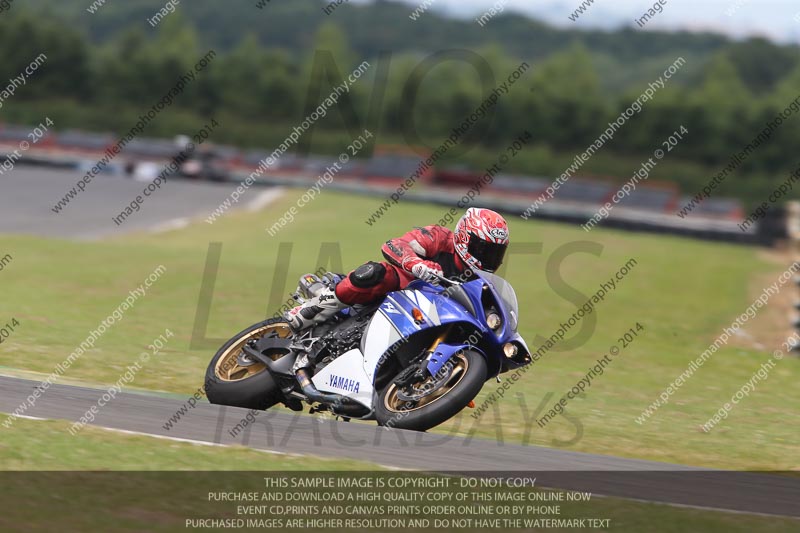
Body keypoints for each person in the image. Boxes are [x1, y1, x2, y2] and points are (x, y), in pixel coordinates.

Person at [285, 207, 510, 331]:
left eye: (495, 253)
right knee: (376, 272)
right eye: (483, 249)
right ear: (464, 237)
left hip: (430, 319)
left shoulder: (480, 282)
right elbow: (394, 245)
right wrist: (417, 264)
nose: (487, 258)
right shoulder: (439, 237)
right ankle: (310, 310)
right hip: (398, 293)